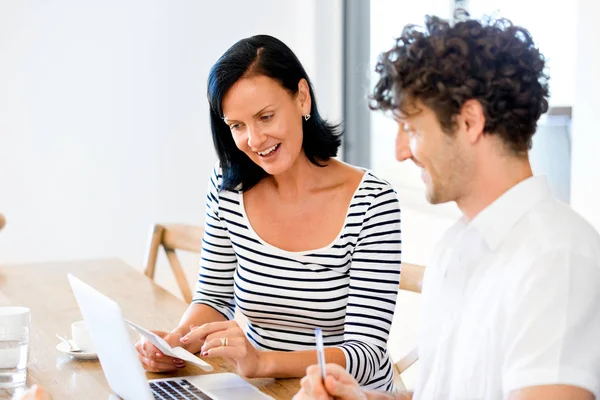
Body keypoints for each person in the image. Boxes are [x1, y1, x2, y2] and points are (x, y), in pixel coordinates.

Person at [294, 16, 600, 400]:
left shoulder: (556, 261)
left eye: (412, 129)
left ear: (469, 121)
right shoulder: (455, 249)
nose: (400, 152)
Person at [135, 34, 402, 392]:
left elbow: (366, 354)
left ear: (302, 97)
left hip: (345, 395)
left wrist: (263, 361)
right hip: (260, 388)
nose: (255, 140)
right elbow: (213, 298)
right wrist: (179, 342)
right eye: (238, 126)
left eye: (265, 116)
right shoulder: (229, 187)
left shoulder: (372, 202)